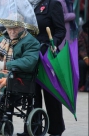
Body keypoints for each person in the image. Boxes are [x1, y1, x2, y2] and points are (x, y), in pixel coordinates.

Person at [17, 0, 66, 136]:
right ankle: (33, 129)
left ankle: (56, 130)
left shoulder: (52, 4)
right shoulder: (26, 5)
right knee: (32, 93)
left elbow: (61, 30)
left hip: (46, 55)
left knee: (50, 93)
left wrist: (53, 43)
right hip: (29, 55)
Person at [78, 20, 89, 92]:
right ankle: (82, 84)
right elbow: (81, 47)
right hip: (86, 57)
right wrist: (86, 58)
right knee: (81, 63)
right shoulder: (84, 32)